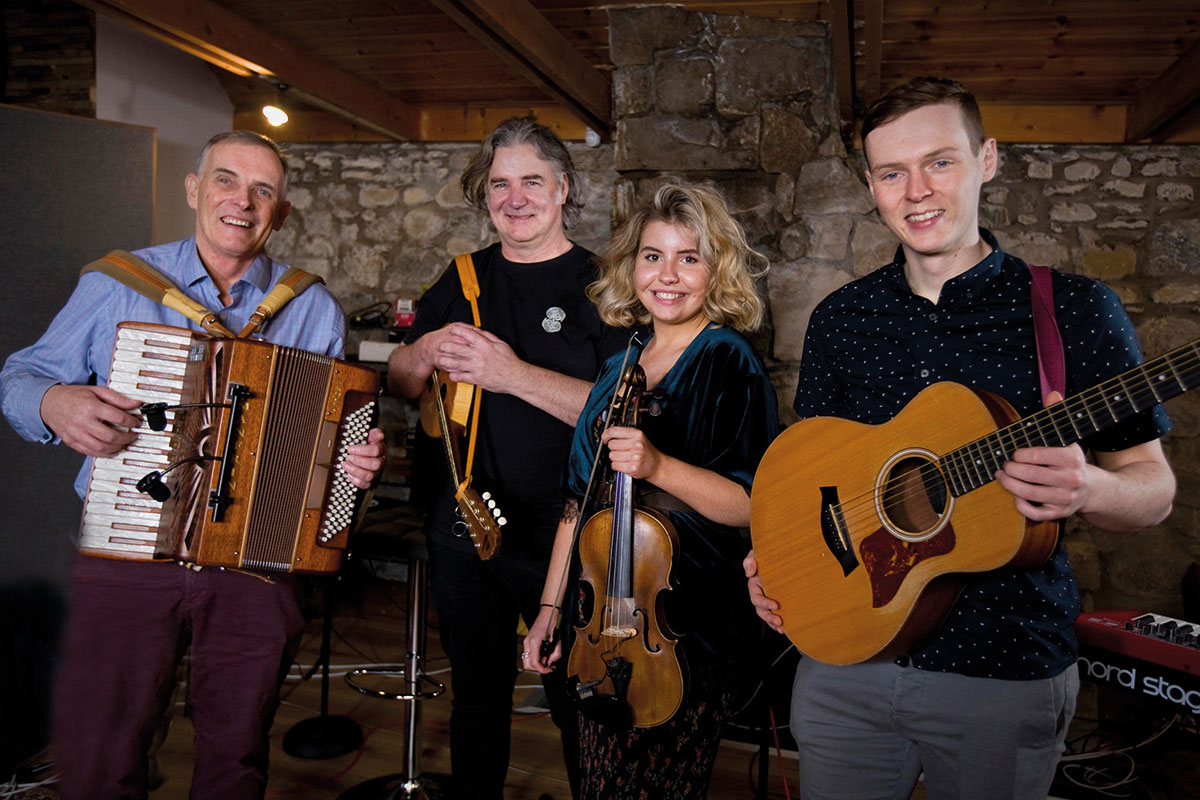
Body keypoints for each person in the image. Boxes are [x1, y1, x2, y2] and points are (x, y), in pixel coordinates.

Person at [744, 77, 1177, 800]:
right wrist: (783, 563)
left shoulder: (1075, 308)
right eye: (891, 172)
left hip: (1001, 676)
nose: (917, 191)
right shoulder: (841, 319)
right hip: (844, 667)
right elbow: (803, 470)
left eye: (940, 162)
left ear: (988, 160)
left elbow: (1153, 488)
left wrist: (1094, 488)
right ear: (872, 186)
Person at [0, 130, 385, 800]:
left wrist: (354, 461)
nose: (243, 200)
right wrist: (54, 400)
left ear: (282, 211)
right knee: (107, 755)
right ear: (194, 189)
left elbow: (330, 444)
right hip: (126, 561)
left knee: (235, 759)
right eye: (227, 180)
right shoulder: (118, 283)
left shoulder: (311, 307)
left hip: (256, 571)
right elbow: (19, 377)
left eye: (264, 190)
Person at [387, 116, 625, 799]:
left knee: (577, 697)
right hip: (465, 525)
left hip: (568, 533)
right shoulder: (461, 278)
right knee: (477, 694)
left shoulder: (604, 285)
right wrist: (423, 351)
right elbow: (402, 383)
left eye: (531, 181)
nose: (514, 198)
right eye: (499, 184)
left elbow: (621, 414)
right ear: (483, 194)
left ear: (564, 188)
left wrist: (510, 372)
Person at [524, 184, 780, 798]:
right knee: (597, 782)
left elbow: (753, 505)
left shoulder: (728, 359)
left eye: (689, 257)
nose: (667, 275)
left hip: (684, 629)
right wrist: (549, 611)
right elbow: (575, 502)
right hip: (602, 622)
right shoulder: (620, 365)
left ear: (716, 268)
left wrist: (659, 466)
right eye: (652, 255)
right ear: (630, 265)